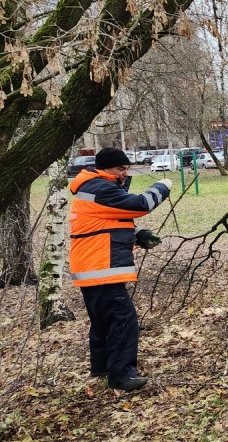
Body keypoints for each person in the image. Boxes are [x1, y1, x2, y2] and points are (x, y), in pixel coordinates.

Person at [69, 148, 172, 391]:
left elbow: (106, 222)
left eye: (127, 169)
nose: (124, 174)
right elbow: (140, 205)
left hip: (93, 267)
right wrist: (162, 187)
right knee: (123, 319)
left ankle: (103, 368)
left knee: (104, 320)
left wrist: (139, 235)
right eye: (120, 169)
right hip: (101, 267)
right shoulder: (99, 188)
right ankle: (122, 375)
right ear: (103, 168)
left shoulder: (93, 188)